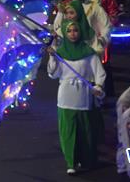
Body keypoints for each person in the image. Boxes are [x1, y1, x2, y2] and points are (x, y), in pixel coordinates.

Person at [47, 20, 106, 176]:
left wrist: (98, 87)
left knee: (85, 131)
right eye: (69, 31)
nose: (73, 33)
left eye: (75, 30)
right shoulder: (60, 53)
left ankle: (86, 159)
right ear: (65, 33)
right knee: (68, 132)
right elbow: (53, 74)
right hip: (66, 98)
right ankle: (70, 162)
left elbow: (100, 73)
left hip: (84, 98)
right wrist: (53, 58)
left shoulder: (89, 53)